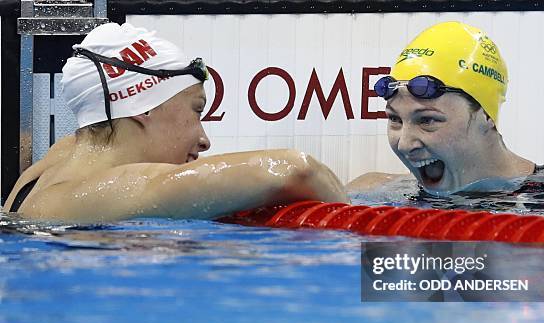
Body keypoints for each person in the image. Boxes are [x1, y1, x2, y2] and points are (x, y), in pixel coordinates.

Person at [3, 23, 347, 222]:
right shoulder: (112, 190)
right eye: (197, 110)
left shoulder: (61, 158)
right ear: (143, 107)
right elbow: (296, 170)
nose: (204, 140)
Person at [347, 21, 540, 196]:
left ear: (486, 115)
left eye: (427, 120)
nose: (404, 144)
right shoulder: (369, 192)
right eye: (395, 119)